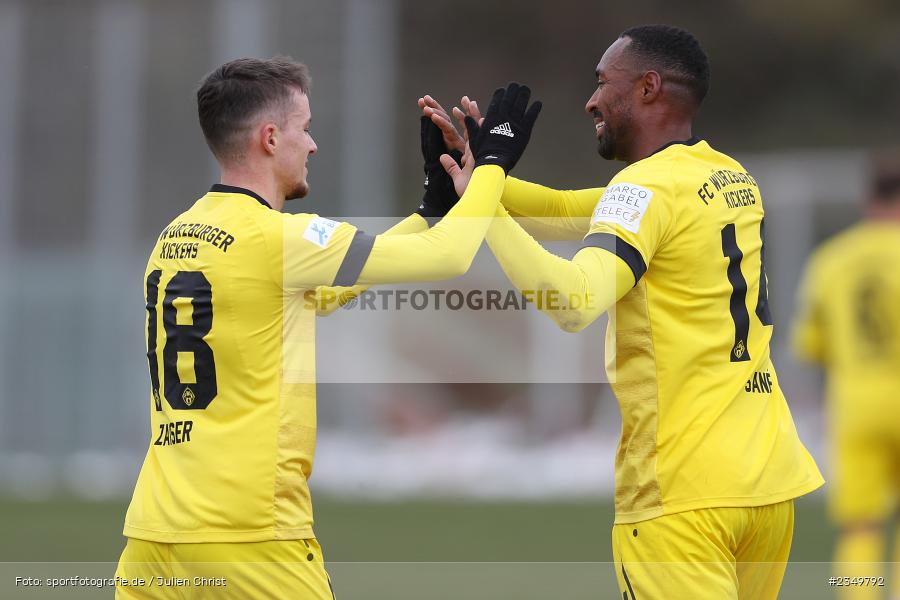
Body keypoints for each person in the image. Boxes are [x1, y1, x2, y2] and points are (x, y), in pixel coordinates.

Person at [114, 56, 541, 599]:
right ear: (270, 138)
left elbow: (355, 273)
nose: (312, 145)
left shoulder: (177, 236)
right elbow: (453, 256)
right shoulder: (281, 238)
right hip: (249, 539)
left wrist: (432, 207)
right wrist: (493, 168)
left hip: (154, 536)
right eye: (304, 129)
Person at [423, 24, 824, 599]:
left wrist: (487, 190)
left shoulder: (644, 191)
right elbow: (567, 208)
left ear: (647, 87)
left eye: (602, 82)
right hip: (766, 484)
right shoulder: (728, 176)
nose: (590, 100)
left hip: (682, 493)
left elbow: (572, 302)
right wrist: (479, 170)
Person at [793, 154, 900, 599]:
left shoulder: (831, 260)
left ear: (866, 200)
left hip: (856, 404)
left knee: (860, 525)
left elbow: (812, 346)